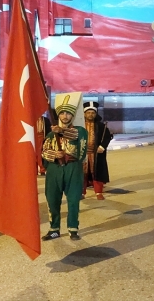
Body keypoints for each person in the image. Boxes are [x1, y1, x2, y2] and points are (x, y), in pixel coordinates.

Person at [41, 94, 88, 241]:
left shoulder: (80, 130)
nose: (65, 116)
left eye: (68, 113)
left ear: (72, 115)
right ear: (59, 115)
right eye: (62, 113)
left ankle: (73, 229)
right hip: (54, 169)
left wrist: (61, 132)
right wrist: (55, 154)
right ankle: (54, 229)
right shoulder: (50, 134)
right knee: (52, 199)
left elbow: (75, 137)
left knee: (73, 200)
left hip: (73, 168)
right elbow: (44, 152)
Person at [82, 101, 112, 200]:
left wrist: (102, 147)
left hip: (96, 154)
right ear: (84, 114)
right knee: (82, 173)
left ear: (96, 114)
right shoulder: (79, 126)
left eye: (93, 113)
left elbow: (107, 137)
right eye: (88, 113)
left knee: (97, 172)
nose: (91, 115)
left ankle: (98, 192)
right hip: (82, 154)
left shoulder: (101, 126)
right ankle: (81, 192)